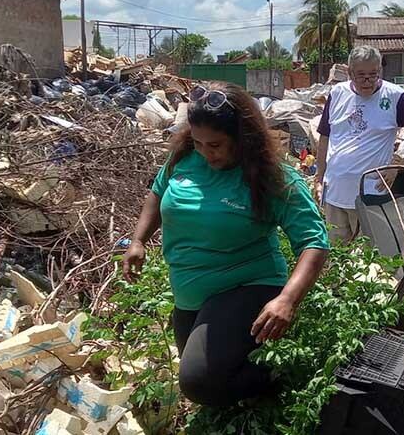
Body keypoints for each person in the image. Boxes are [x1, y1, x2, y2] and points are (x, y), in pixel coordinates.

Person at [121, 82, 330, 406]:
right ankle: (252, 400)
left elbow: (314, 243)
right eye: (199, 142)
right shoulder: (185, 159)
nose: (207, 153)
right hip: (190, 293)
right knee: (211, 380)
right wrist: (138, 241)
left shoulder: (271, 177)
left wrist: (287, 300)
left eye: (216, 145)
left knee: (198, 381)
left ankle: (284, 376)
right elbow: (158, 192)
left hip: (247, 284)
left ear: (243, 138)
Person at [313, 45, 404, 244]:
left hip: (370, 195)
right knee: (335, 255)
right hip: (334, 192)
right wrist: (319, 177)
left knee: (368, 261)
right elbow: (325, 136)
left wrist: (400, 168)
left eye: (373, 74)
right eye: (361, 75)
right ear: (350, 73)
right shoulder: (337, 93)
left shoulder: (395, 97)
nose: (367, 81)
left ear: (380, 71)